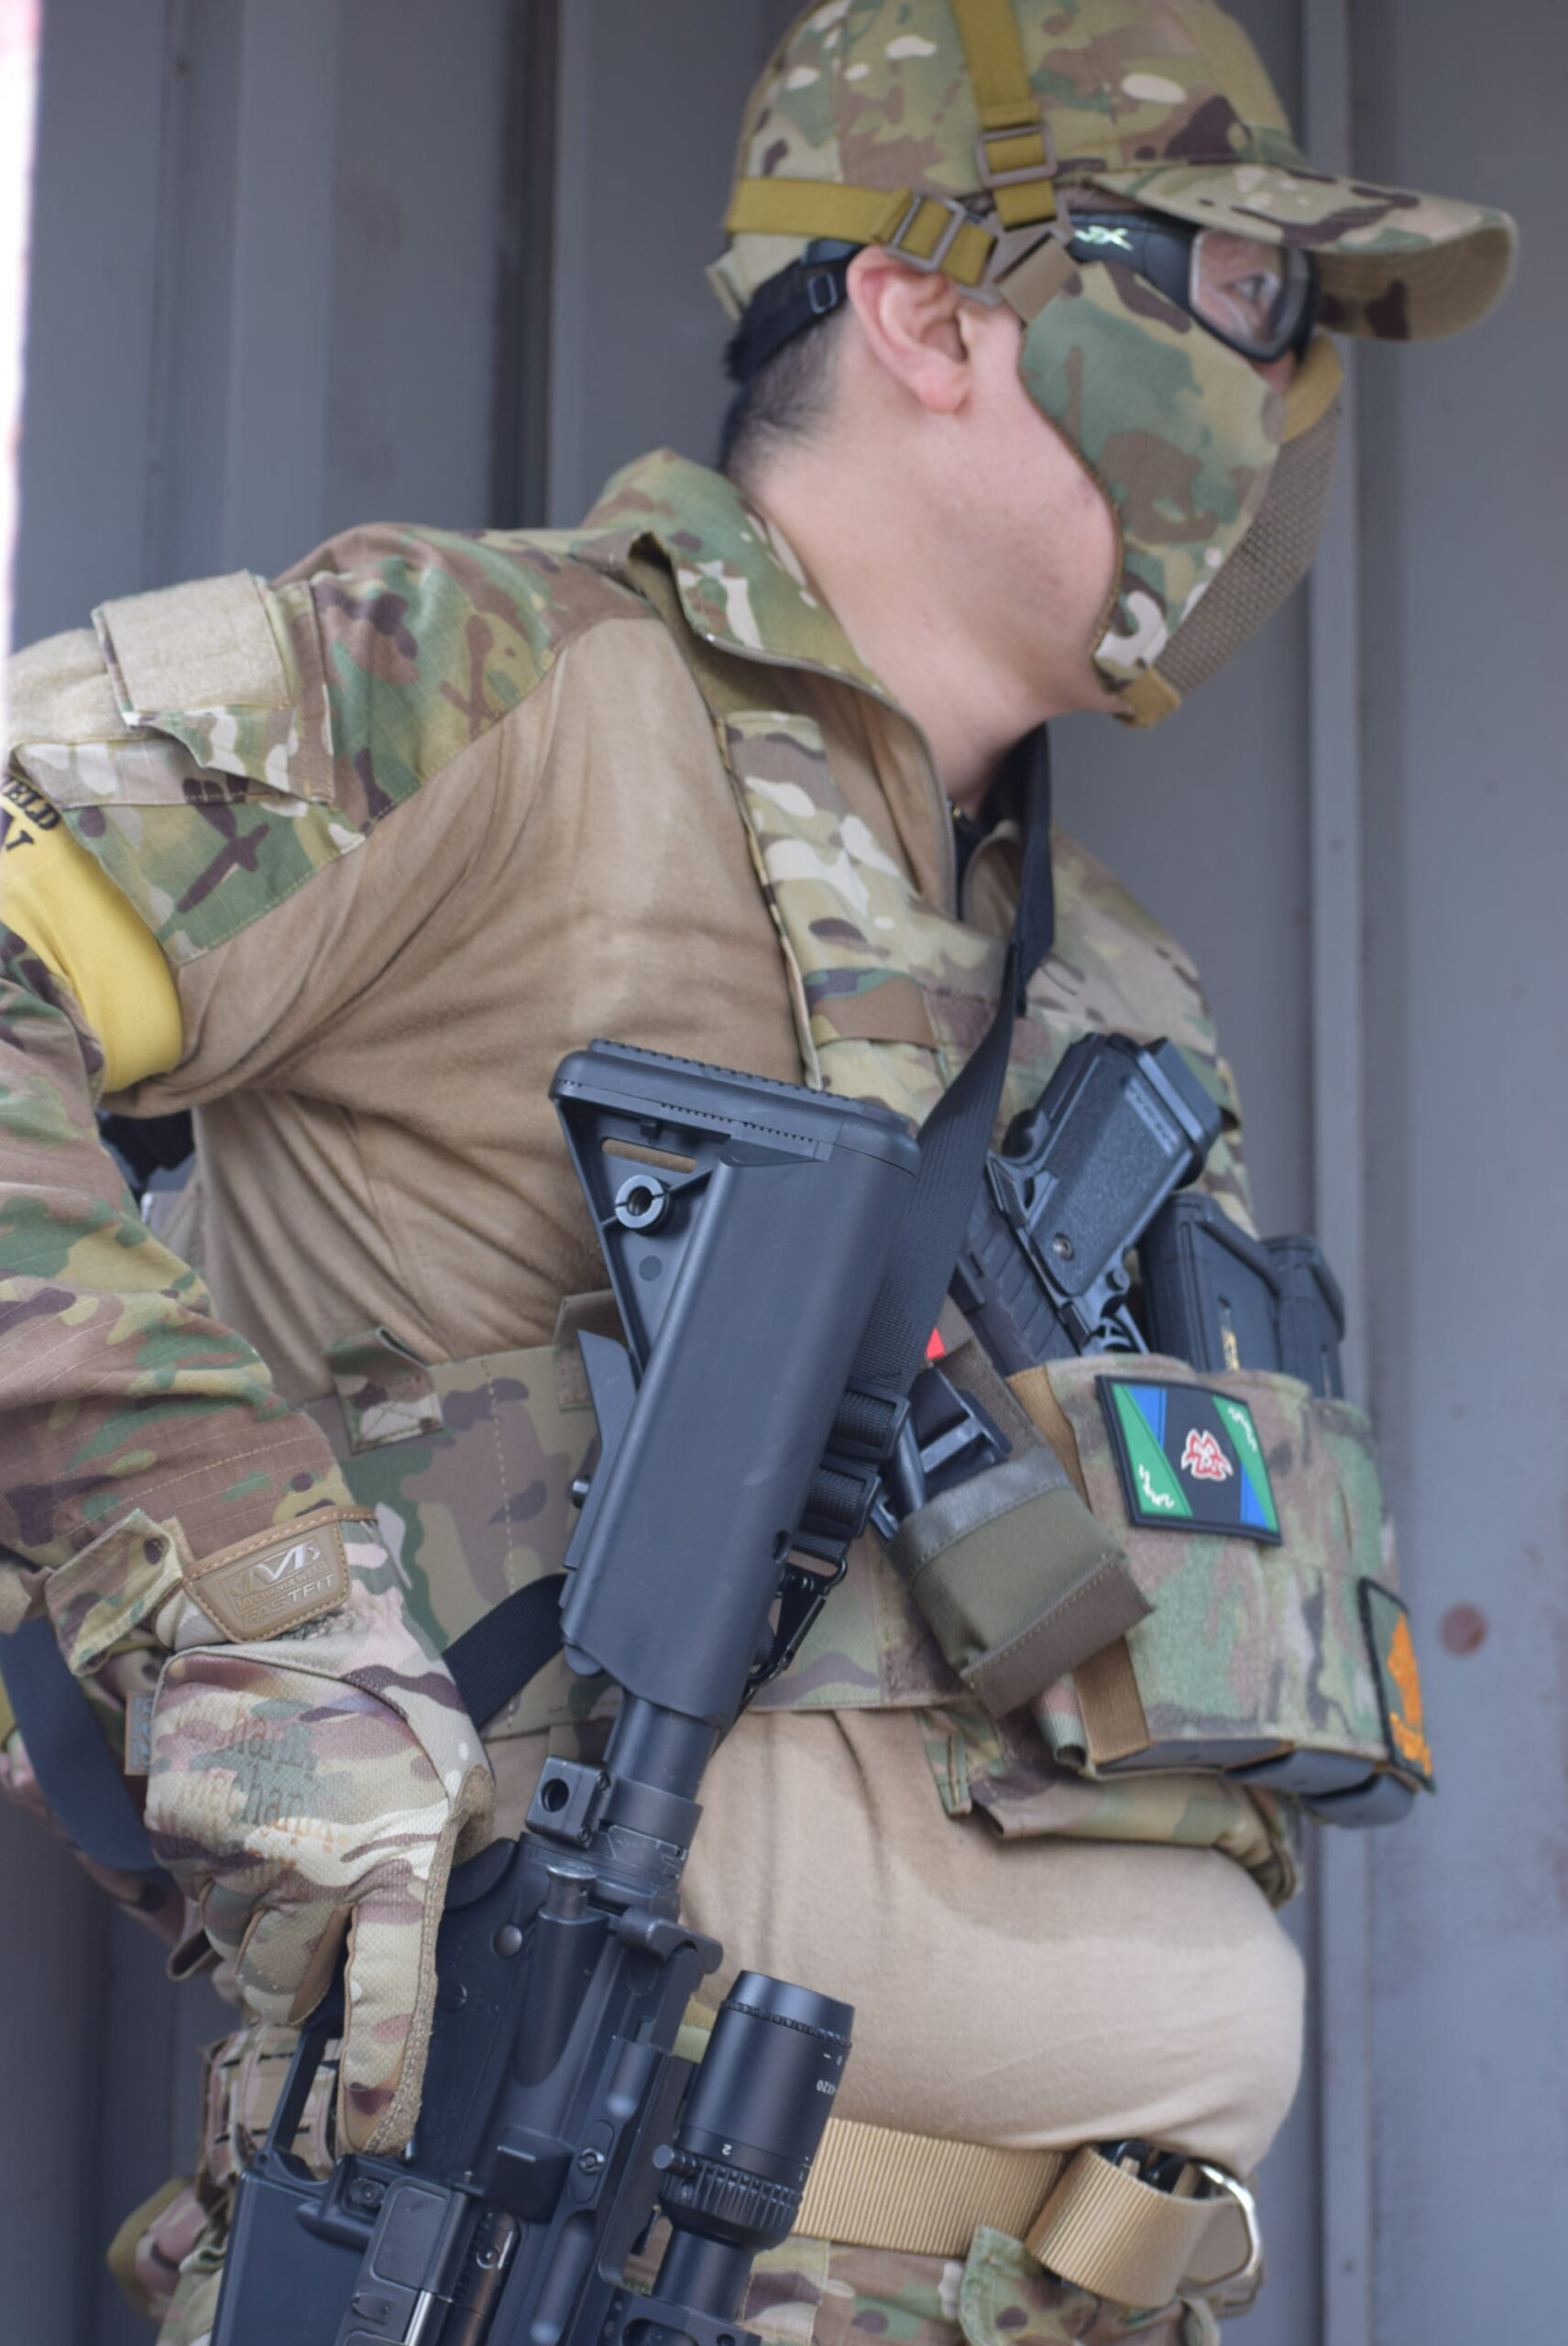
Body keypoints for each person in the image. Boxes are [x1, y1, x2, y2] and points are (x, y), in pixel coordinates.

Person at [0, 4, 1515, 2341]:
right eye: (1233, 292)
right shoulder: (501, 681)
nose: (1287, 390)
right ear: (927, 310)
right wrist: (247, 1606)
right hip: (612, 2258)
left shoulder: (1101, 958)